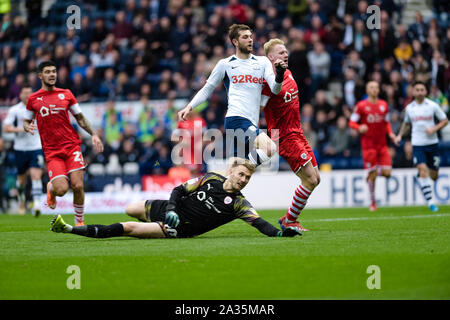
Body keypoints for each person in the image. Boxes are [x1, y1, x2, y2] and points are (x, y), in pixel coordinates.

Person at [50, 159, 302, 239]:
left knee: (129, 228)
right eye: (242, 174)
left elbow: (259, 223)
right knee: (130, 209)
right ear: (231, 171)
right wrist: (171, 207)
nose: (244, 179)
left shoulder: (239, 204)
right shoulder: (210, 177)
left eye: (248, 177)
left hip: (177, 227)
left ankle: (70, 228)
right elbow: (179, 190)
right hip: (172, 209)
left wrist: (280, 234)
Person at [177, 24, 287, 167]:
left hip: (252, 121)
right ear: (235, 41)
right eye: (245, 37)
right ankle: (244, 167)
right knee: (269, 148)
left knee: (238, 173)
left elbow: (275, 89)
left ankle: (215, 184)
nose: (250, 40)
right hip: (236, 119)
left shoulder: (262, 62)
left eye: (251, 37)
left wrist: (279, 74)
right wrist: (189, 107)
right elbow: (207, 88)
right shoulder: (226, 64)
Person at [23, 61, 104, 226]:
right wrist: (27, 126)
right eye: (47, 72)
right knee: (61, 190)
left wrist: (94, 134)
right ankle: (51, 189)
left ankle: (79, 221)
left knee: (78, 185)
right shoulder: (33, 99)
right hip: (52, 151)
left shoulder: (66, 94)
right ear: (40, 76)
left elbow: (80, 118)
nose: (52, 74)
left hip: (71, 146)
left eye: (54, 71)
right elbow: (26, 121)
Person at [260, 39, 320, 232]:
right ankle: (290, 220)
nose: (286, 54)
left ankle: (289, 218)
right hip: (284, 135)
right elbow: (259, 106)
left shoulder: (289, 72)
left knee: (316, 178)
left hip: (298, 132)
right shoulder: (269, 81)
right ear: (271, 57)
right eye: (281, 52)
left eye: (286, 51)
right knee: (310, 179)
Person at [395, 81, 448, 212]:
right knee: (422, 169)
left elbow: (445, 120)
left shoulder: (433, 106)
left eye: (422, 89)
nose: (419, 92)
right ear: (413, 92)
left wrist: (434, 128)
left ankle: (422, 177)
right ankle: (431, 203)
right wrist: (400, 135)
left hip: (432, 144)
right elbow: (406, 123)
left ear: (426, 92)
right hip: (418, 144)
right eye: (417, 89)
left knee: (434, 175)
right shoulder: (409, 108)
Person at [348, 81, 398, 212]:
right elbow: (351, 122)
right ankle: (373, 202)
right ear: (367, 90)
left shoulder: (384, 105)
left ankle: (371, 174)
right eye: (371, 87)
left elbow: (386, 122)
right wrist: (359, 127)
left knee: (387, 173)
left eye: (376, 87)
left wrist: (391, 134)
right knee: (373, 175)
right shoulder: (361, 106)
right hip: (368, 145)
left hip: (382, 145)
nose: (374, 89)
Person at [3, 84, 44, 216]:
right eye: (25, 93)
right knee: (21, 180)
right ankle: (21, 201)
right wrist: (22, 129)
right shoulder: (15, 110)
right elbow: (6, 128)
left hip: (35, 147)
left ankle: (37, 204)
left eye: (29, 93)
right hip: (20, 149)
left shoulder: (38, 108)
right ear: (20, 95)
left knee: (36, 175)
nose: (27, 95)